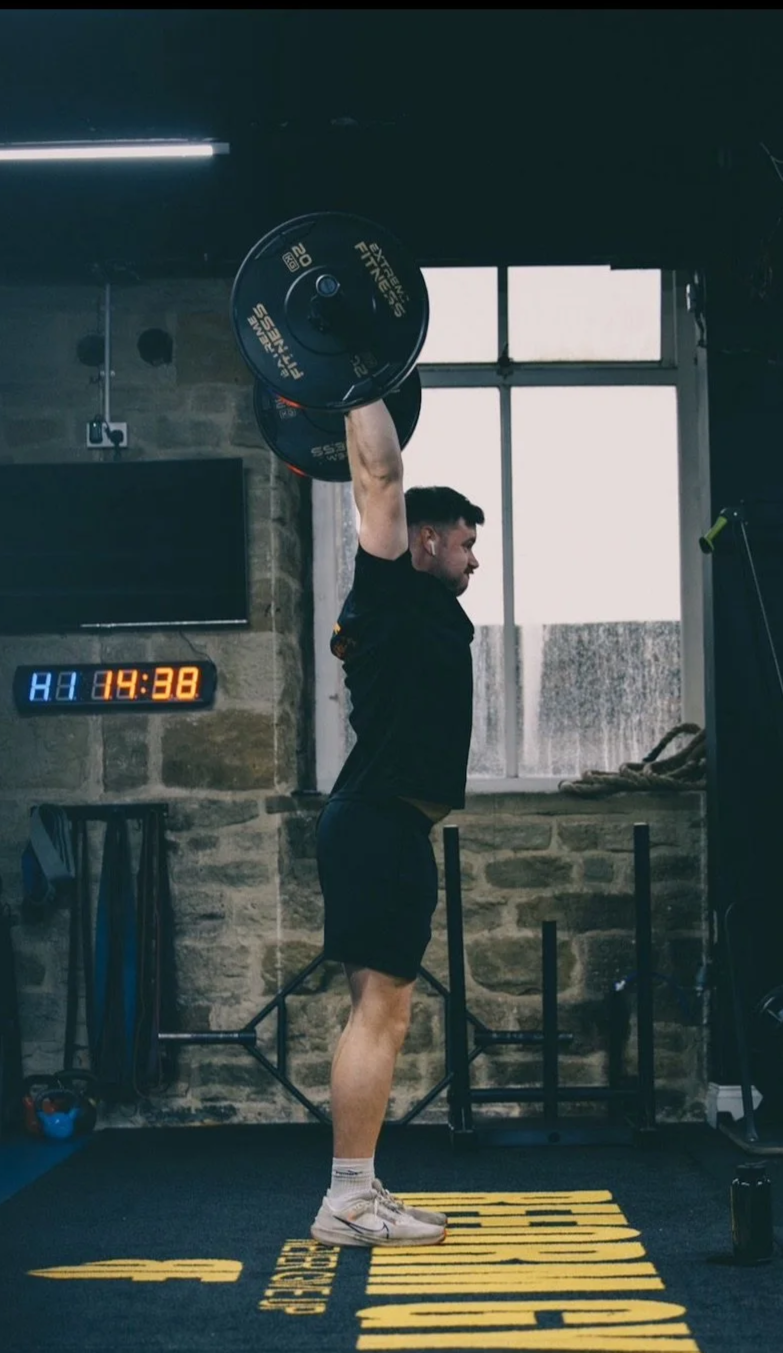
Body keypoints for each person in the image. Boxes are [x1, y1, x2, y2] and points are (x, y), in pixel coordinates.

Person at [310, 395, 484, 1247]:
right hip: (377, 826)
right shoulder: (385, 589)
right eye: (464, 542)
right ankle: (346, 1200)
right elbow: (378, 474)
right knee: (384, 1011)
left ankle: (359, 1189)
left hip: (382, 828)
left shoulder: (414, 611)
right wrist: (358, 375)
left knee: (374, 1009)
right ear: (423, 540)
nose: (472, 558)